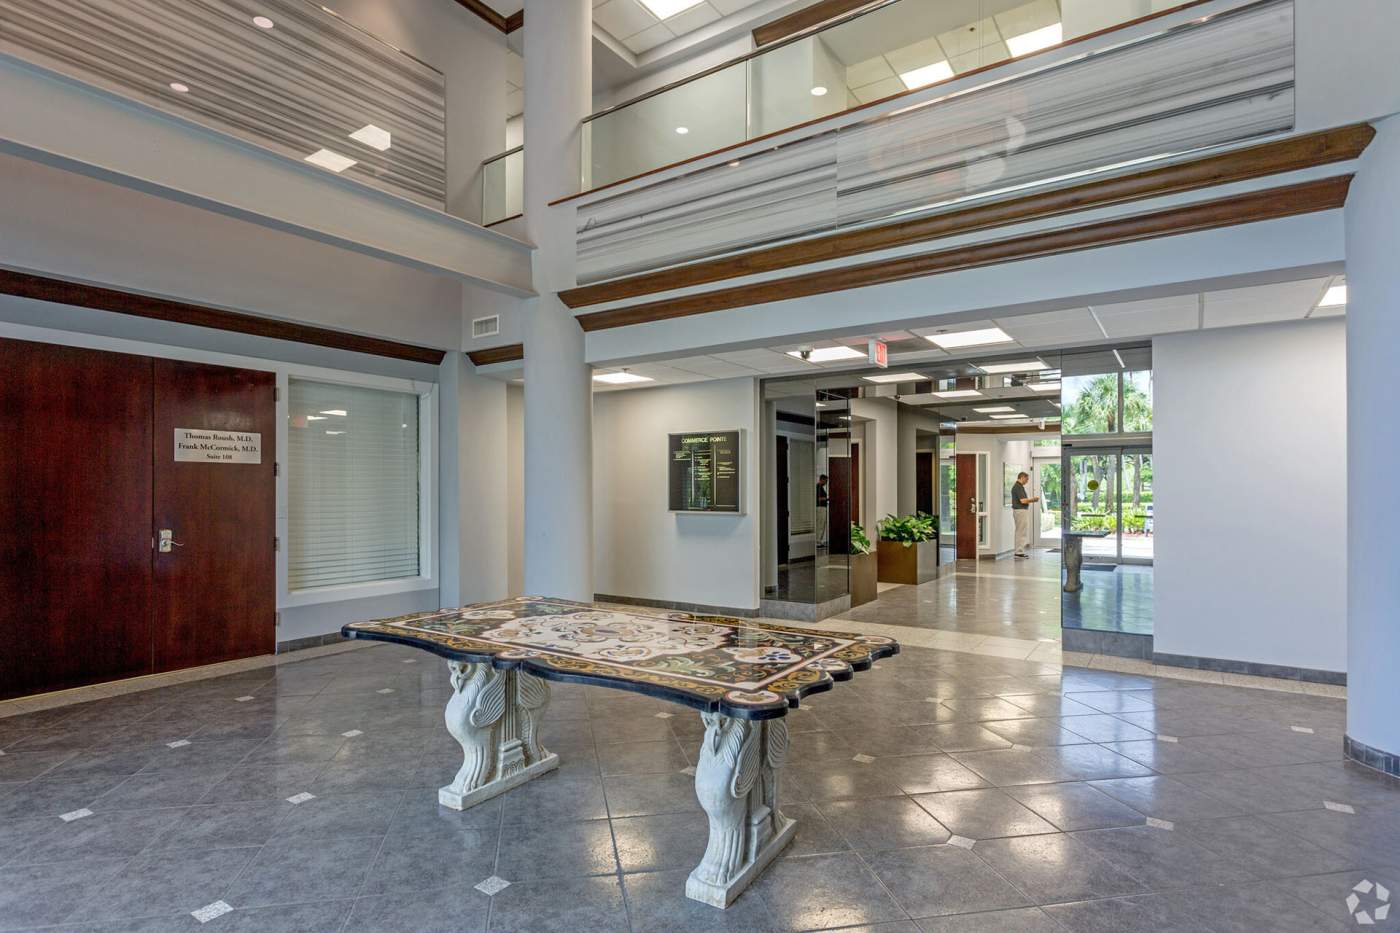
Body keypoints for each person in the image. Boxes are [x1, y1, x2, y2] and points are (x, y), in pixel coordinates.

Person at [1010, 471, 1039, 559]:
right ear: (1022, 477)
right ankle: (1019, 552)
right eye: (1026, 479)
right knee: (1021, 531)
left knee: (1021, 531)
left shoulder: (1019, 486)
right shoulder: (1018, 487)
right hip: (1020, 511)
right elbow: (1023, 501)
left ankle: (1019, 551)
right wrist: (1033, 499)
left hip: (1020, 511)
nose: (1027, 481)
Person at [815, 474, 829, 548]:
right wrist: (827, 499)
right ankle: (818, 541)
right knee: (820, 524)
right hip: (820, 508)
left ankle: (819, 541)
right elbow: (819, 498)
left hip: (822, 507)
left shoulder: (820, 488)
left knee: (821, 524)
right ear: (822, 479)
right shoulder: (818, 487)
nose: (826, 483)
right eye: (826, 481)